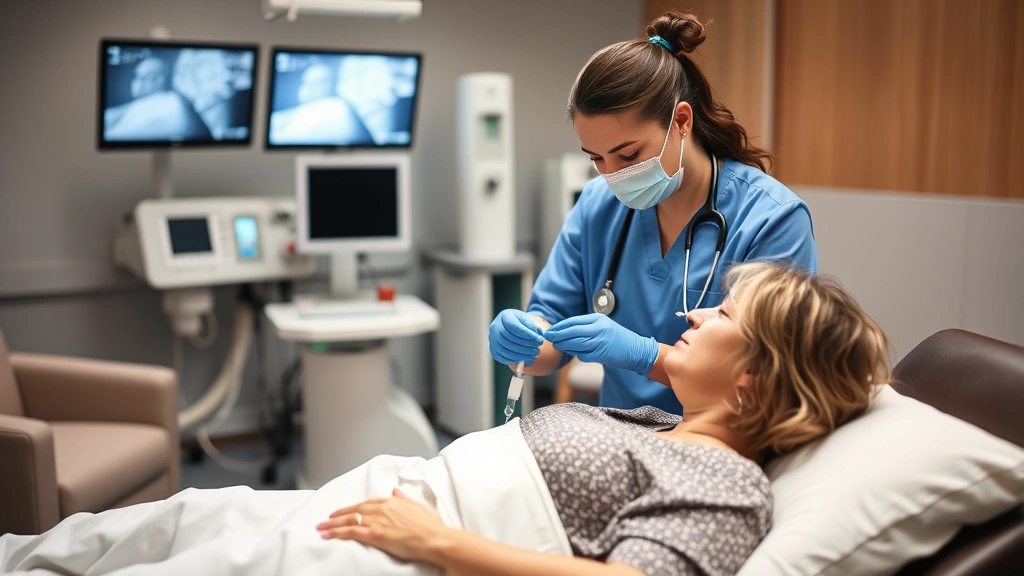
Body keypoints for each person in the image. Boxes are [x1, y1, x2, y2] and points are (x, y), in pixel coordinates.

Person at [0, 261, 889, 576]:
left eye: (723, 318)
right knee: (164, 522)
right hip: (379, 502)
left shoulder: (727, 484)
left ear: (753, 387)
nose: (695, 317)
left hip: (409, 545)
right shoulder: (659, 428)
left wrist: (435, 544)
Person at [489, 11, 818, 414]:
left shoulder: (771, 219)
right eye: (596, 158)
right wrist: (525, 338)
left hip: (718, 441)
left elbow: (766, 380)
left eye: (629, 154)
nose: (612, 175)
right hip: (619, 434)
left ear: (681, 121)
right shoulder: (598, 206)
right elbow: (548, 336)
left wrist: (646, 356)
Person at [104, 55, 211, 142]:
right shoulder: (141, 105)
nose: (138, 83)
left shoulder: (170, 104)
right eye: (137, 76)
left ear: (161, 80)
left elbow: (113, 136)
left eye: (148, 77)